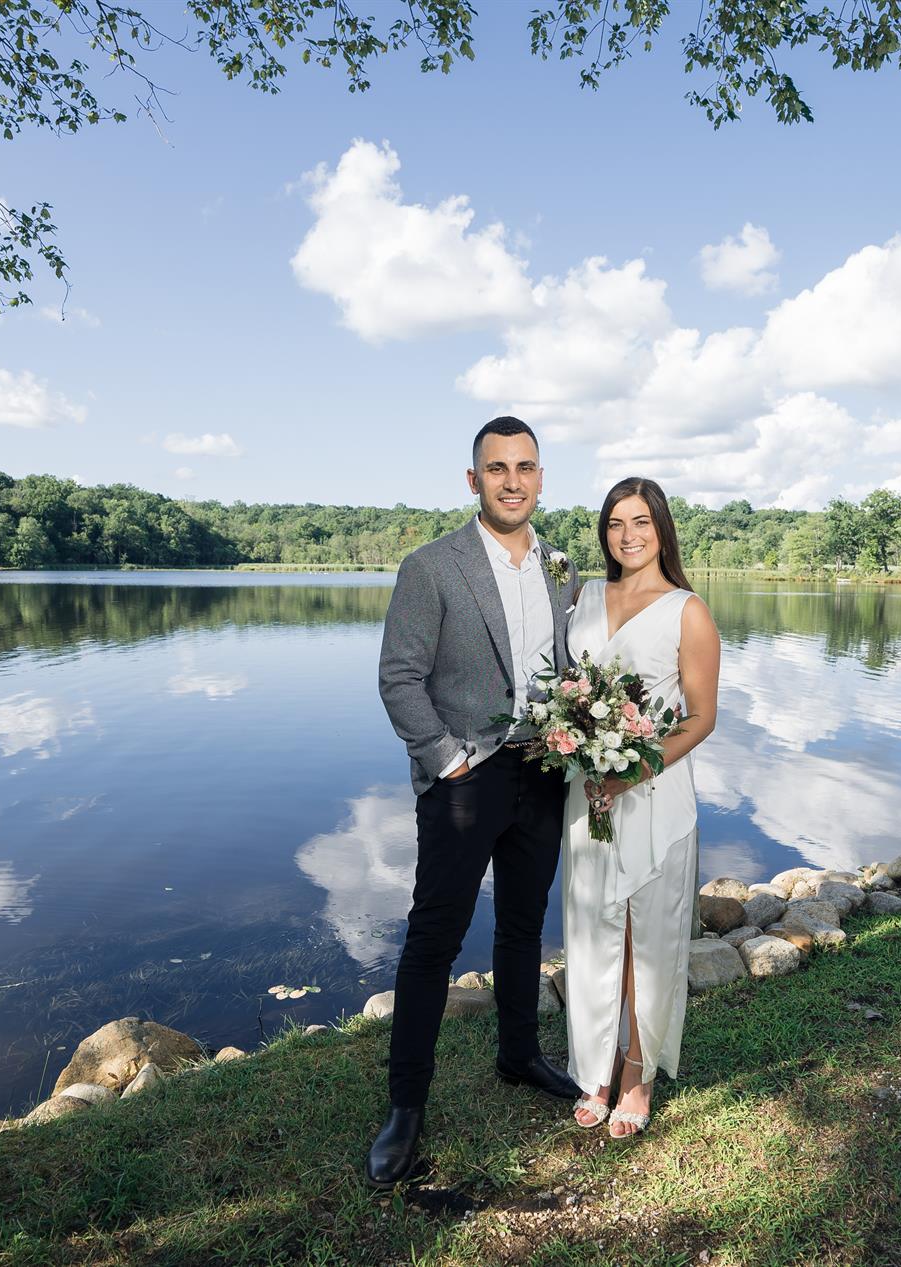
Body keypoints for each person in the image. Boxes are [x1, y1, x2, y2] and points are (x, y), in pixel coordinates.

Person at [369, 416, 583, 1188]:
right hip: (465, 777)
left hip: (542, 770)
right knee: (434, 939)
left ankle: (519, 1053)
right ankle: (406, 1107)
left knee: (524, 924)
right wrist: (448, 760)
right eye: (497, 468)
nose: (512, 480)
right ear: (474, 480)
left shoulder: (563, 568)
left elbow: (572, 665)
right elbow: (399, 677)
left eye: (525, 466)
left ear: (540, 477)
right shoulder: (432, 566)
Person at [559, 476, 720, 1138]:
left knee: (645, 931)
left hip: (652, 789)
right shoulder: (584, 598)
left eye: (641, 522)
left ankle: (636, 1069)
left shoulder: (688, 610)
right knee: (592, 922)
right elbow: (569, 687)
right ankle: (594, 1062)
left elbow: (701, 717)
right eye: (615, 523)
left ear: (662, 530)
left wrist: (630, 773)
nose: (627, 536)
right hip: (586, 791)